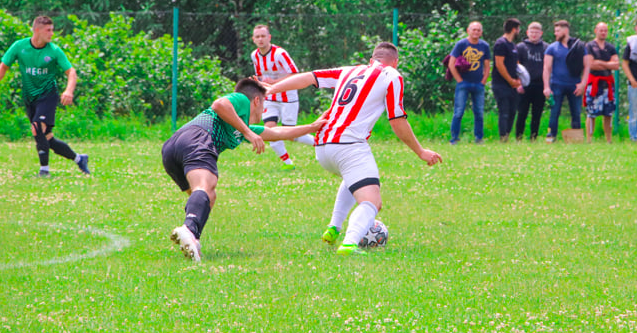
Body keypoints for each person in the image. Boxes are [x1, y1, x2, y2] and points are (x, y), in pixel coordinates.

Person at [264, 42, 442, 256]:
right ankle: (350, 244)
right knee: (372, 201)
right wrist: (421, 152)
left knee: (353, 178)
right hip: (348, 146)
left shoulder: (351, 70)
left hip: (322, 145)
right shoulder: (392, 75)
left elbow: (309, 77)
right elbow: (397, 120)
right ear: (395, 62)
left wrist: (272, 89)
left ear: (371, 60)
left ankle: (334, 227)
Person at [164, 78, 326, 262]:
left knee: (208, 195)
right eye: (263, 104)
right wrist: (248, 133)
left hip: (172, 148)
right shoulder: (241, 100)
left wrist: (313, 127)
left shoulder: (243, 126)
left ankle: (192, 238)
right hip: (198, 138)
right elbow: (219, 104)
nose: (264, 111)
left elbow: (278, 133)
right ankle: (188, 230)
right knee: (205, 185)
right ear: (256, 100)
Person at [0, 16, 89, 177]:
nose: (52, 34)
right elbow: (3, 67)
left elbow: (71, 72)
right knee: (46, 138)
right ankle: (79, 159)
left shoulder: (54, 51)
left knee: (37, 127)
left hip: (48, 95)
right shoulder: (19, 46)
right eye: (48, 30)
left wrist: (68, 91)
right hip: (30, 97)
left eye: (52, 30)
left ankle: (44, 171)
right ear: (37, 30)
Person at [250, 24, 314, 168]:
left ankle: (320, 143)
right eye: (258, 36)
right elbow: (262, 77)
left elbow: (295, 74)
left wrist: (274, 83)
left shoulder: (280, 54)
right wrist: (257, 83)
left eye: (263, 36)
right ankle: (288, 164)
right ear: (253, 39)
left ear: (269, 37)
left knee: (290, 134)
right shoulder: (254, 55)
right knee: (270, 131)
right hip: (271, 97)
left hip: (287, 97)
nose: (261, 39)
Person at [542, 20, 592, 143]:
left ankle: (575, 139)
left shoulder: (579, 47)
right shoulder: (552, 48)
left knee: (576, 112)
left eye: (558, 31)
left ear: (566, 31)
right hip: (556, 84)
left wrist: (583, 84)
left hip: (574, 85)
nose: (555, 33)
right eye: (555, 31)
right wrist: (546, 87)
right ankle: (551, 137)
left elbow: (587, 66)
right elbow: (546, 68)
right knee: (554, 112)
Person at [448, 21, 491, 144]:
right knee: (458, 112)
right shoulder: (461, 44)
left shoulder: (484, 46)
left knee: (479, 113)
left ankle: (479, 138)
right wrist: (459, 80)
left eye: (478, 30)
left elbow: (487, 65)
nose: (476, 32)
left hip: (478, 84)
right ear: (468, 30)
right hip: (463, 83)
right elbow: (451, 63)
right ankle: (454, 138)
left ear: (481, 32)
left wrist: (484, 81)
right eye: (474, 29)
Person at [584, 22, 619, 143]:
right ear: (595, 31)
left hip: (608, 84)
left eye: (605, 30)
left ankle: (609, 140)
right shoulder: (589, 46)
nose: (603, 32)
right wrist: (607, 64)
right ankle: (589, 140)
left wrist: (600, 63)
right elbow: (590, 64)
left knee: (608, 113)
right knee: (591, 113)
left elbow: (616, 65)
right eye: (601, 30)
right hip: (594, 83)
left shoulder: (611, 47)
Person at [492, 18, 522, 143]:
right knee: (504, 111)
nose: (519, 31)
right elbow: (499, 64)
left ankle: (508, 136)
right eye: (518, 29)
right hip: (501, 84)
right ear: (514, 29)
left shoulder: (513, 45)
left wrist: (519, 79)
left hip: (513, 85)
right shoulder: (501, 43)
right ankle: (503, 138)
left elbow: (516, 64)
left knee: (512, 111)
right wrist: (510, 80)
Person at [515, 22, 546, 140]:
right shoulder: (520, 47)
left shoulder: (546, 47)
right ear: (527, 33)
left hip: (540, 85)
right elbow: (516, 67)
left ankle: (534, 137)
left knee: (536, 114)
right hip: (524, 85)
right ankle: (519, 137)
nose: (534, 35)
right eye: (531, 32)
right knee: (522, 113)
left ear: (541, 34)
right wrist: (518, 84)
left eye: (536, 32)